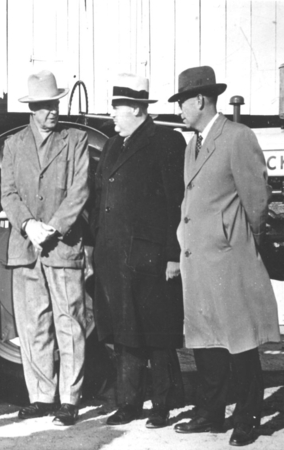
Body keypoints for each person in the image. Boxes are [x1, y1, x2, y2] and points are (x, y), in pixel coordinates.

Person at [168, 66, 281, 447]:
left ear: (199, 100)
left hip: (229, 259)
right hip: (197, 260)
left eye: (182, 101)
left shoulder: (237, 137)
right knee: (205, 341)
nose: (180, 109)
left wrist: (237, 242)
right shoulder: (192, 144)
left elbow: (257, 201)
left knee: (240, 342)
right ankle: (211, 413)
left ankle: (248, 417)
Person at [90, 74, 186, 428]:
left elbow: (177, 202)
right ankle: (127, 403)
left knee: (157, 333)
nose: (112, 115)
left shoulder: (166, 141)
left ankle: (161, 404)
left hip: (151, 257)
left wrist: (174, 254)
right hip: (114, 257)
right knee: (125, 332)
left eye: (116, 108)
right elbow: (101, 200)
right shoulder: (115, 144)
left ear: (136, 108)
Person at [1, 70, 89, 426]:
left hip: (61, 246)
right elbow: (8, 192)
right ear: (30, 109)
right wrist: (27, 225)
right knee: (33, 325)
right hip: (26, 247)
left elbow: (80, 189)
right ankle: (41, 396)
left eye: (53, 104)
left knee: (69, 323)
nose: (50, 111)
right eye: (42, 106)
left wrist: (51, 228)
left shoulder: (75, 139)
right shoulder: (13, 145)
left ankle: (69, 399)